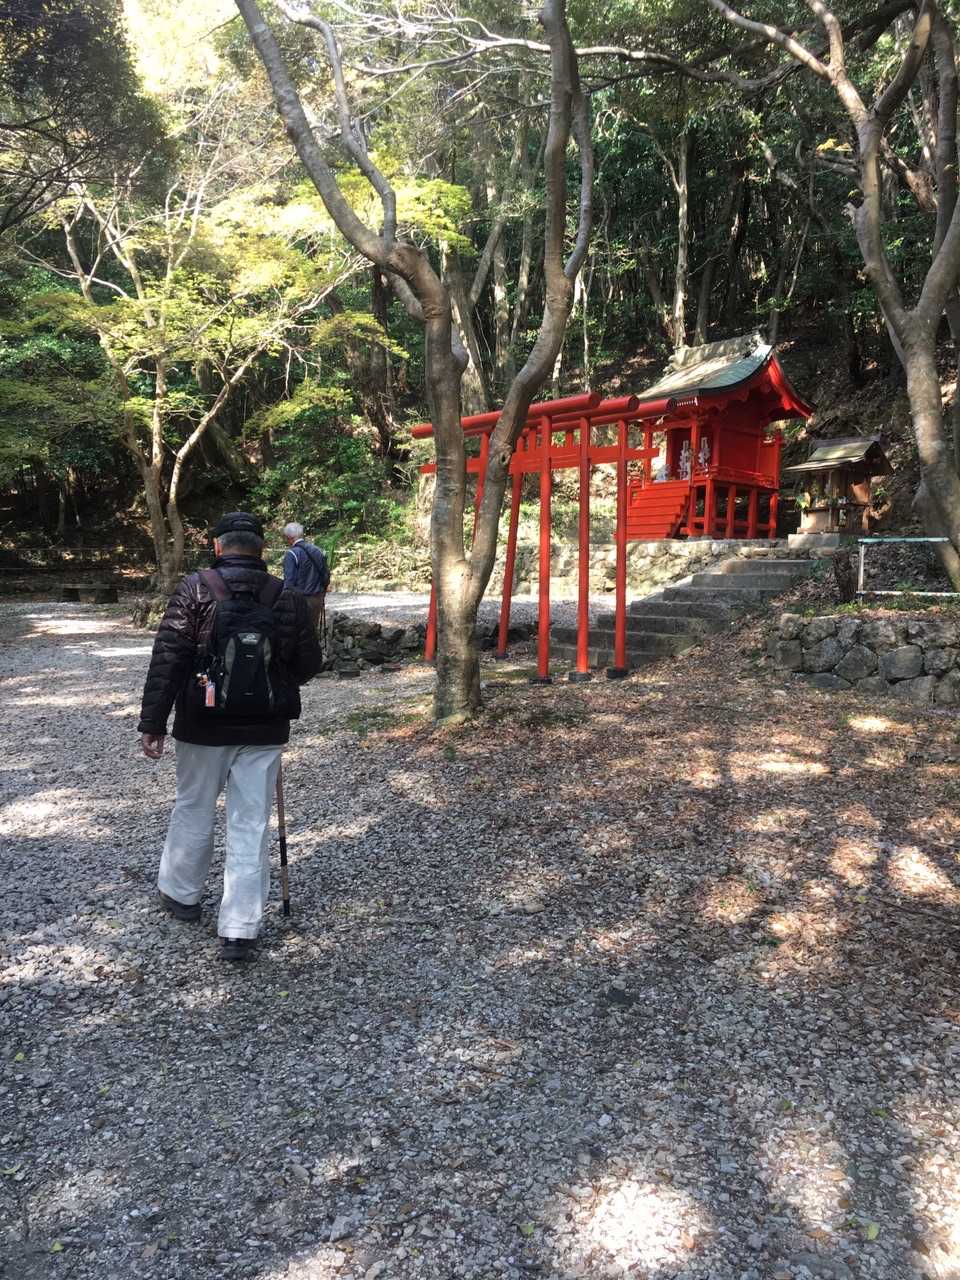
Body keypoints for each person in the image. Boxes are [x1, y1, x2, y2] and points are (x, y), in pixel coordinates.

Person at [137, 512, 322, 963]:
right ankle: (240, 928)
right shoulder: (286, 595)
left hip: (201, 725)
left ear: (218, 547)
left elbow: (169, 658)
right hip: (264, 729)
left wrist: (153, 723)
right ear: (262, 549)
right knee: (251, 822)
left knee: (193, 806)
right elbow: (309, 664)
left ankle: (182, 895)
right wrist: (271, 680)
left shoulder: (195, 589)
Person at [282, 522, 330, 628]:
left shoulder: (292, 554)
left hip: (300, 600)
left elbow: (289, 582)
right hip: (317, 598)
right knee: (312, 630)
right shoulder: (318, 551)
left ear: (289, 538)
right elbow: (326, 574)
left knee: (298, 631)